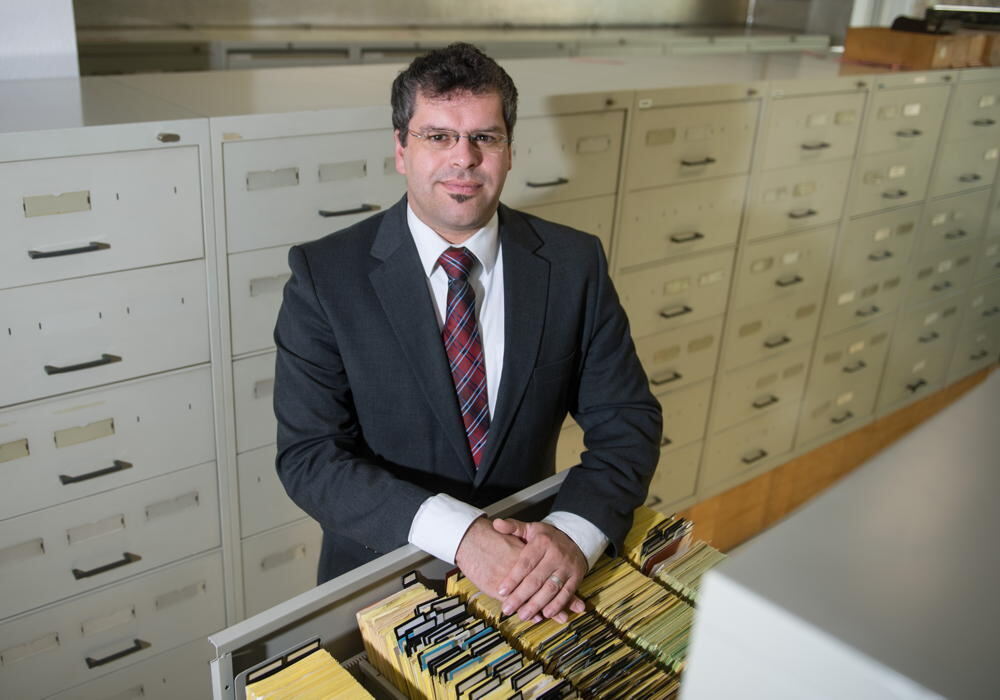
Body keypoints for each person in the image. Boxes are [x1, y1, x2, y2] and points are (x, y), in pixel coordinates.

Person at [274, 42, 661, 625]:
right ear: (401, 149)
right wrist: (463, 536)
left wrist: (573, 533)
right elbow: (310, 457)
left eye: (485, 137)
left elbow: (627, 420)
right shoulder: (325, 277)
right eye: (438, 136)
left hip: (534, 580)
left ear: (509, 151)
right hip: (384, 582)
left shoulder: (572, 263)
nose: (464, 159)